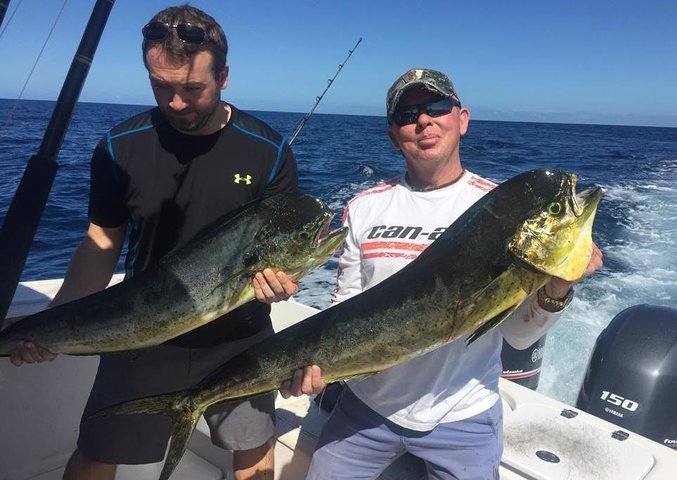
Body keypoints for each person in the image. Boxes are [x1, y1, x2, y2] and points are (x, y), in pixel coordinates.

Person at [9, 5, 299, 480]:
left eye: (191, 89)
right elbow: (101, 243)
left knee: (252, 451)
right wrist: (51, 322)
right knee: (97, 453)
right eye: (161, 87)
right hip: (141, 331)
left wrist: (285, 284)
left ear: (224, 76)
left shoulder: (269, 151)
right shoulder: (119, 146)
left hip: (238, 334)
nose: (176, 103)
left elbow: (287, 250)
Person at [284, 68, 604, 479]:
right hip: (366, 407)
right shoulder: (365, 207)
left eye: (436, 106)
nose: (423, 119)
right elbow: (347, 307)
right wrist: (320, 368)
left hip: (463, 414)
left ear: (462, 119)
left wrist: (560, 283)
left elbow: (519, 337)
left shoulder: (502, 209)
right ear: (392, 135)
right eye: (407, 113)